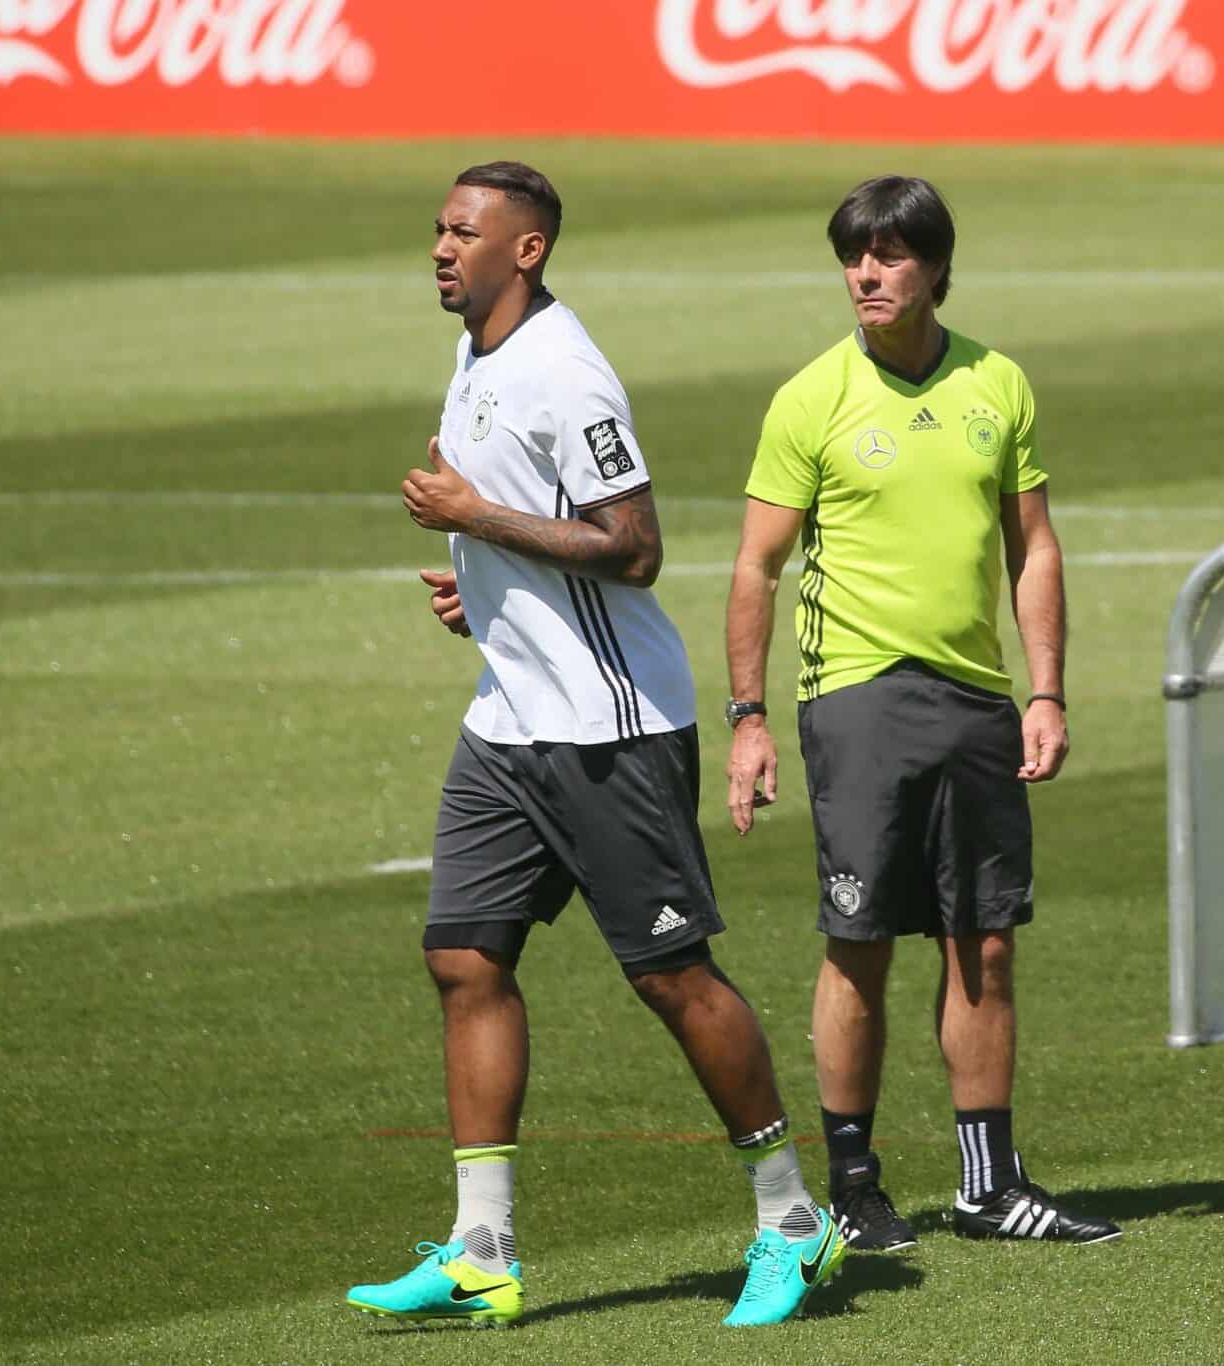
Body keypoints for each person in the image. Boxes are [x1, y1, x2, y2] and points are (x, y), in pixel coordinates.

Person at [345, 161, 844, 1330]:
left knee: (670, 975)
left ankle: (788, 1217)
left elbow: (633, 547)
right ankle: (481, 1245)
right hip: (507, 721)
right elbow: (534, 530)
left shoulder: (568, 374)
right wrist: (485, 588)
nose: (438, 246)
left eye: (463, 232)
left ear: (526, 249)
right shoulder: (476, 350)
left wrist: (476, 523)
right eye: (435, 227)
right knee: (464, 958)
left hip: (606, 727)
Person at [723, 175, 1120, 1253]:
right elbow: (756, 566)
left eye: (889, 256)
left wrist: (1044, 689)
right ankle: (852, 1187)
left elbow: (1032, 544)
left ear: (935, 270)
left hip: (977, 700)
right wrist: (748, 717)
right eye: (852, 255)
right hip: (854, 696)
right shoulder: (811, 397)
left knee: (982, 944)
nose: (864, 273)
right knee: (857, 941)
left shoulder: (998, 383)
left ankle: (991, 1187)